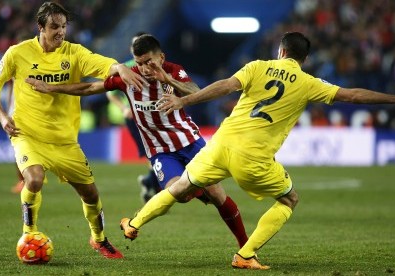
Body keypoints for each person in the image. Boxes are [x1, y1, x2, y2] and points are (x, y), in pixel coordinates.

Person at [115, 32, 395, 270]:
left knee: (182, 185)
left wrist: (183, 101)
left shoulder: (257, 67)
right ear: (302, 59)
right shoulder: (307, 82)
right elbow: (354, 96)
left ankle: (134, 224)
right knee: (290, 199)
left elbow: (223, 86)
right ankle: (245, 254)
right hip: (253, 158)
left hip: (221, 144)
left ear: (280, 51)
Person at [25, 34, 249, 249]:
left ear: (161, 58)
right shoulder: (129, 77)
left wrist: (168, 79)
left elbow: (195, 90)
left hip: (189, 142)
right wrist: (51, 88)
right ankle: (197, 189)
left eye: (149, 62)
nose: (144, 68)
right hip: (161, 151)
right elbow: (89, 87)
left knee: (217, 194)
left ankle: (245, 248)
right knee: (179, 194)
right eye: (140, 63)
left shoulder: (173, 71)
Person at [0, 1, 146, 259]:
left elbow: (105, 64)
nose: (60, 32)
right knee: (34, 179)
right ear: (40, 27)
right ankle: (29, 232)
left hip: (65, 142)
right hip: (28, 134)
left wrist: (120, 68)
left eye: (63, 27)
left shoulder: (74, 53)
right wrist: (3, 116)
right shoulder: (18, 53)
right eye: (54, 27)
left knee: (91, 194)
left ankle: (99, 239)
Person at [106, 31, 160, 203]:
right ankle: (156, 187)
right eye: (135, 44)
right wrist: (124, 108)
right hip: (135, 119)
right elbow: (109, 93)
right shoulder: (125, 68)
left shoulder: (157, 66)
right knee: (153, 154)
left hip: (155, 117)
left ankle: (150, 183)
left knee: (159, 153)